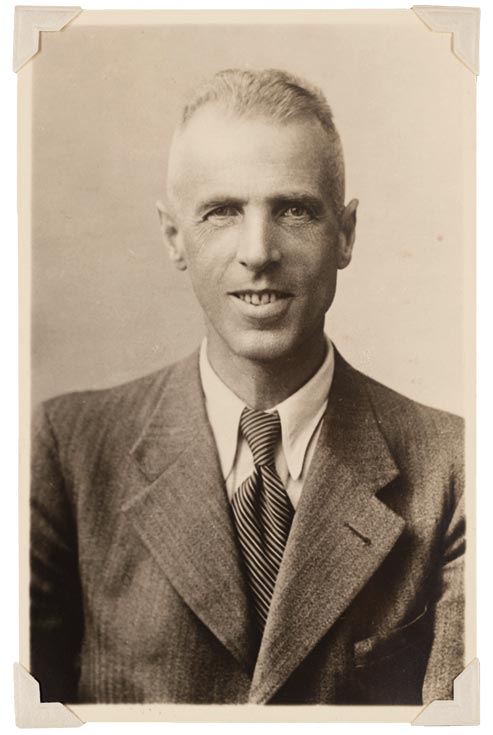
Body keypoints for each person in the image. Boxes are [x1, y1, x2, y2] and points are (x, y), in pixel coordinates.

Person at [30, 68, 465, 706]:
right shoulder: (69, 451)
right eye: (222, 212)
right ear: (174, 236)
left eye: (294, 210)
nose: (258, 251)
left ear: (345, 234)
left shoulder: (455, 469)